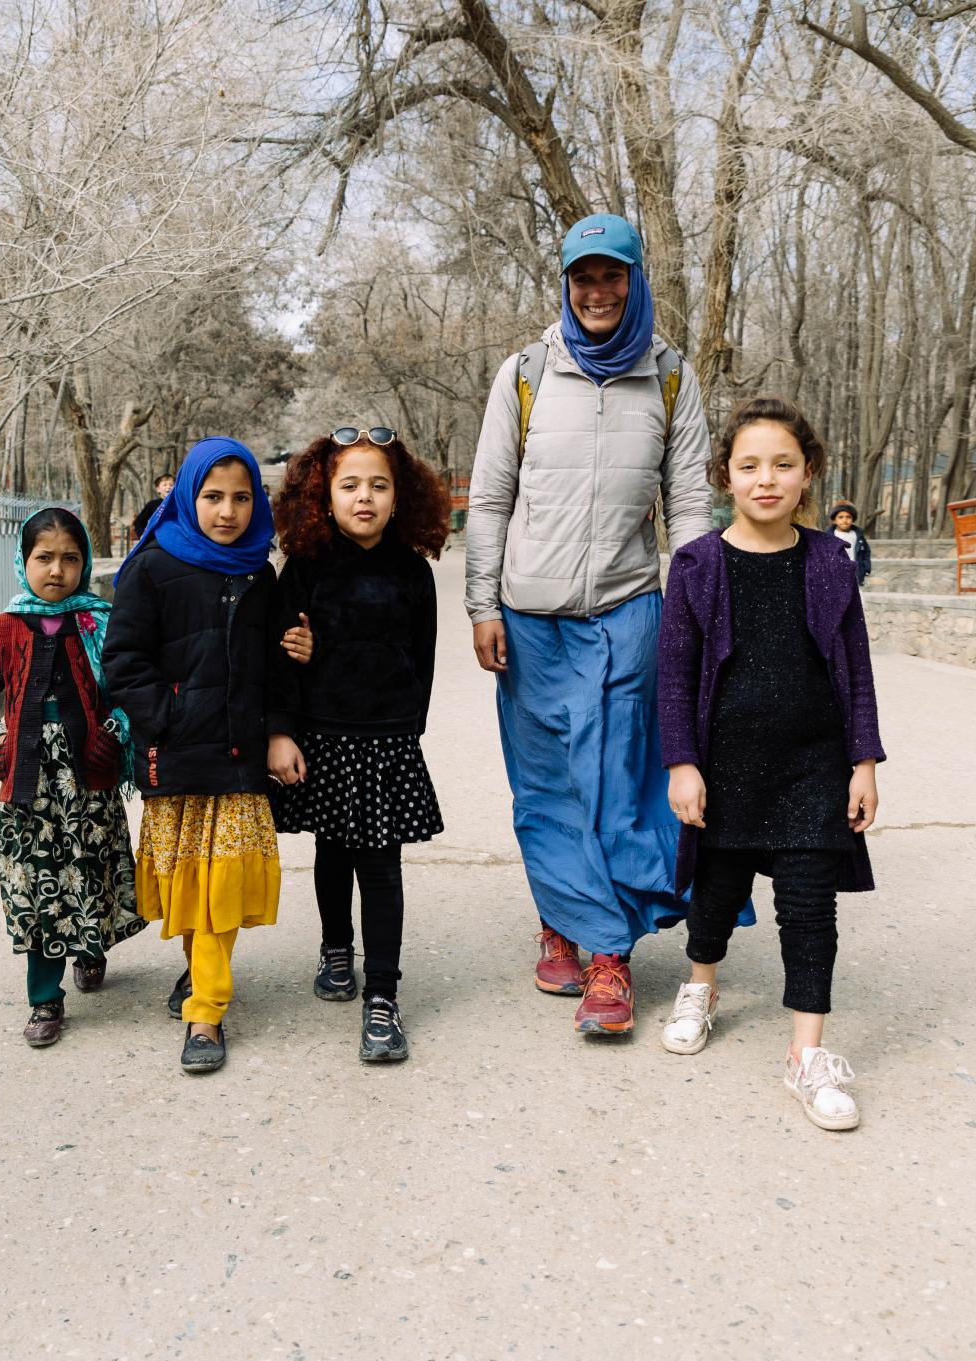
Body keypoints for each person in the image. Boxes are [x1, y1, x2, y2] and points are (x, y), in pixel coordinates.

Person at [464, 212, 747, 1037]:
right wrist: (483, 604)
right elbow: (490, 498)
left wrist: (692, 610)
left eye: (611, 276)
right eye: (582, 277)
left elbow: (688, 504)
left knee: (619, 784)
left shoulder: (669, 375)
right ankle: (566, 923)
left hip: (628, 612)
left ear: (634, 281)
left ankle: (609, 956)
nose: (597, 292)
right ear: (565, 283)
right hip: (532, 620)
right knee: (547, 785)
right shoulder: (525, 373)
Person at [656, 396, 885, 1131]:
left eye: (783, 464)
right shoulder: (697, 565)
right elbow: (674, 676)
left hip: (814, 766)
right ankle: (701, 983)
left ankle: (806, 1054)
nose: (766, 479)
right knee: (715, 895)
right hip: (725, 766)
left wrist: (864, 760)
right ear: (724, 474)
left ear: (807, 472)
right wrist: (682, 763)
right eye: (749, 465)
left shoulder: (829, 561)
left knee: (810, 910)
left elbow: (856, 667)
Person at [101, 437, 312, 1073]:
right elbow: (123, 662)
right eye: (213, 496)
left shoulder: (259, 573)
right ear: (189, 496)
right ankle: (199, 972)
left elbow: (277, 666)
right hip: (177, 755)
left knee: (222, 881)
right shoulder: (151, 566)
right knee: (190, 882)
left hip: (241, 756)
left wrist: (280, 729)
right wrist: (170, 717)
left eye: (242, 498)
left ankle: (206, 1012)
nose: (228, 512)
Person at [266, 426, 452, 1063]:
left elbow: (422, 656)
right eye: (349, 485)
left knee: (380, 866)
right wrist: (283, 731)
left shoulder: (413, 571)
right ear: (325, 496)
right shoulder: (306, 567)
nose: (364, 497)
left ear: (400, 497)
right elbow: (282, 656)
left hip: (388, 740)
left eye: (379, 485)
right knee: (332, 851)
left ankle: (382, 995)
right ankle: (336, 947)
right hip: (323, 734)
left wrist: (407, 730)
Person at [0, 507, 144, 1048]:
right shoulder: (1, 629)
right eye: (44, 558)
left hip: (89, 781)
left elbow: (129, 687)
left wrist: (114, 733)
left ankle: (90, 949)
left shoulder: (101, 623)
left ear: (84, 564)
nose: (57, 570)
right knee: (37, 886)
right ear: (24, 562)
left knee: (90, 872)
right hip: (27, 788)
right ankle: (44, 998)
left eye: (70, 558)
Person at [828, 501, 872, 586]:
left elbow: (866, 552)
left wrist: (866, 568)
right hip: (836, 575)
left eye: (848, 517)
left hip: (855, 574)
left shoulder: (858, 536)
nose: (845, 520)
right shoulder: (829, 536)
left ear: (853, 519)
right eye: (840, 517)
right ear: (834, 520)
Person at [133, 473, 176, 539]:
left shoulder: (179, 504)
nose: (168, 487)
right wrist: (142, 535)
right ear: (158, 489)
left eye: (171, 485)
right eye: (164, 485)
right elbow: (138, 522)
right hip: (155, 539)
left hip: (175, 538)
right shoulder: (152, 504)